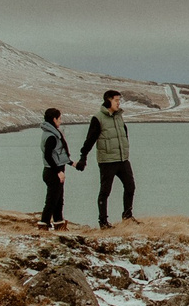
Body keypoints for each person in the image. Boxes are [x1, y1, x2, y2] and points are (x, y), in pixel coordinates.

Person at [77, 89, 135, 228]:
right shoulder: (98, 118)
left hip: (122, 159)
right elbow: (90, 139)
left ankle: (127, 216)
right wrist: (83, 157)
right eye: (116, 100)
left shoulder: (118, 116)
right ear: (108, 100)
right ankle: (103, 222)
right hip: (107, 161)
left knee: (130, 187)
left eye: (119, 100)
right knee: (105, 192)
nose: (118, 103)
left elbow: (124, 135)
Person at [36, 107, 72, 230]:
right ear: (54, 119)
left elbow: (58, 155)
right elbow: (48, 156)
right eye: (59, 118)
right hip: (53, 172)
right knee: (52, 201)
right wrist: (58, 172)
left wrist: (71, 163)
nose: (61, 121)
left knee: (58, 200)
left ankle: (59, 224)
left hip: (52, 171)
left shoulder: (50, 134)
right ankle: (43, 225)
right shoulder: (52, 136)